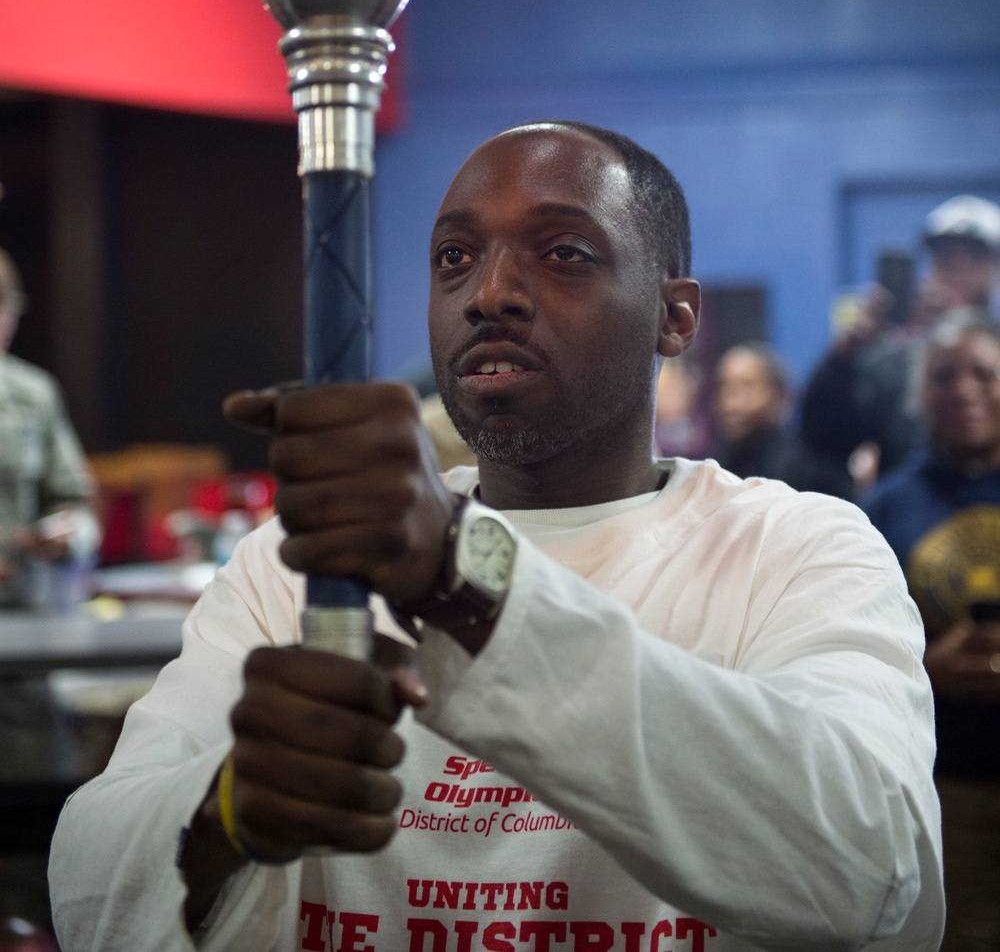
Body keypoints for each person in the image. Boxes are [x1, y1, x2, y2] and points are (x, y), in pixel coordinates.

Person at [50, 122, 943, 951]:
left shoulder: (796, 551)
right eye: (454, 258)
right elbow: (91, 879)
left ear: (676, 316)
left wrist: (461, 575)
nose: (490, 294)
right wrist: (231, 811)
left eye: (562, 253)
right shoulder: (297, 563)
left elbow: (868, 868)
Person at [864, 310, 1000, 952]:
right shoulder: (887, 508)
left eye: (983, 373)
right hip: (944, 787)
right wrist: (923, 671)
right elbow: (856, 654)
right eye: (945, 376)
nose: (965, 389)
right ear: (922, 396)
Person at [802, 194, 1000, 484]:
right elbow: (823, 439)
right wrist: (844, 357)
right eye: (946, 262)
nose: (958, 275)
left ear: (993, 272)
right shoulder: (894, 362)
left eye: (971, 263)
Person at [0, 249, 98, 606]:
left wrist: (66, 533)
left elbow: (76, 504)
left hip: (23, 613)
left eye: (6, 308)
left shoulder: (34, 395)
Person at [713, 343, 853, 499]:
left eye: (747, 387)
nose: (731, 405)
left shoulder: (811, 466)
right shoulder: (716, 471)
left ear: (780, 396)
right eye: (724, 387)